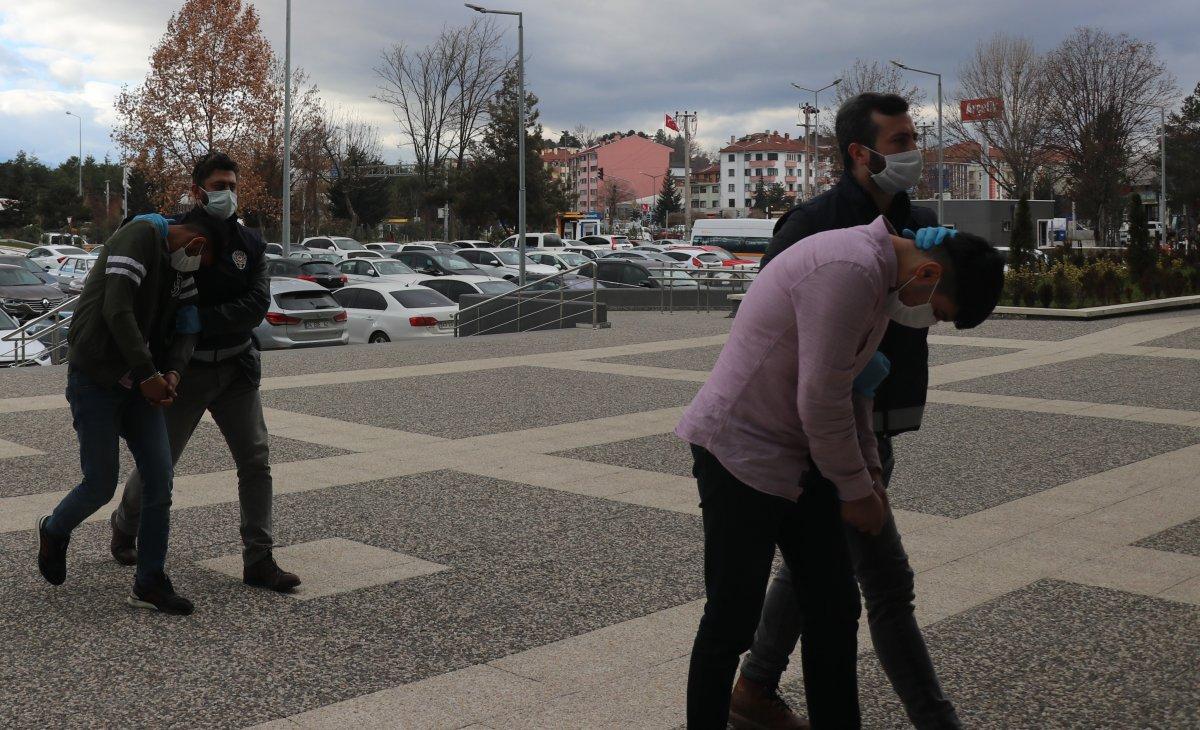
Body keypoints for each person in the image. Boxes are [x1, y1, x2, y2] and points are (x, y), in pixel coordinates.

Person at [678, 214, 1004, 728]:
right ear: (929, 275)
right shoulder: (849, 268)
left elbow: (854, 389)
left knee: (833, 609)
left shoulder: (877, 282)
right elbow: (821, 401)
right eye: (937, 313)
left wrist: (870, 476)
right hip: (740, 451)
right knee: (731, 621)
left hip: (799, 456)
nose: (928, 321)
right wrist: (855, 491)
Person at [728, 92, 964, 730]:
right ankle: (934, 719)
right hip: (819, 426)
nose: (913, 152)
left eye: (914, 138)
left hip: (882, 414)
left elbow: (932, 306)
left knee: (821, 562)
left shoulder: (920, 219)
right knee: (884, 581)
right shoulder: (814, 223)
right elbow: (766, 324)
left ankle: (752, 686)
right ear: (860, 153)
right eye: (900, 142)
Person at [109, 152, 300, 592]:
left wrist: (201, 318)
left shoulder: (250, 243)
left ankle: (259, 558)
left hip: (237, 368)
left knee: (256, 461)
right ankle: (124, 524)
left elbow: (255, 306)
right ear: (197, 190)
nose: (227, 194)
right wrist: (182, 324)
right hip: (185, 372)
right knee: (161, 463)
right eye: (218, 186)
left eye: (232, 185)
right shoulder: (174, 233)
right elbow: (166, 300)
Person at [36, 212, 222, 615]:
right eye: (202, 261)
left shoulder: (180, 268)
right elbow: (116, 310)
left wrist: (172, 371)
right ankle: (53, 529)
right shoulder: (139, 235)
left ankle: (149, 580)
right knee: (100, 484)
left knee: (160, 478)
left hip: (141, 385)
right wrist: (147, 373)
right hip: (96, 379)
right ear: (196, 244)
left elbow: (189, 327)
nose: (196, 271)